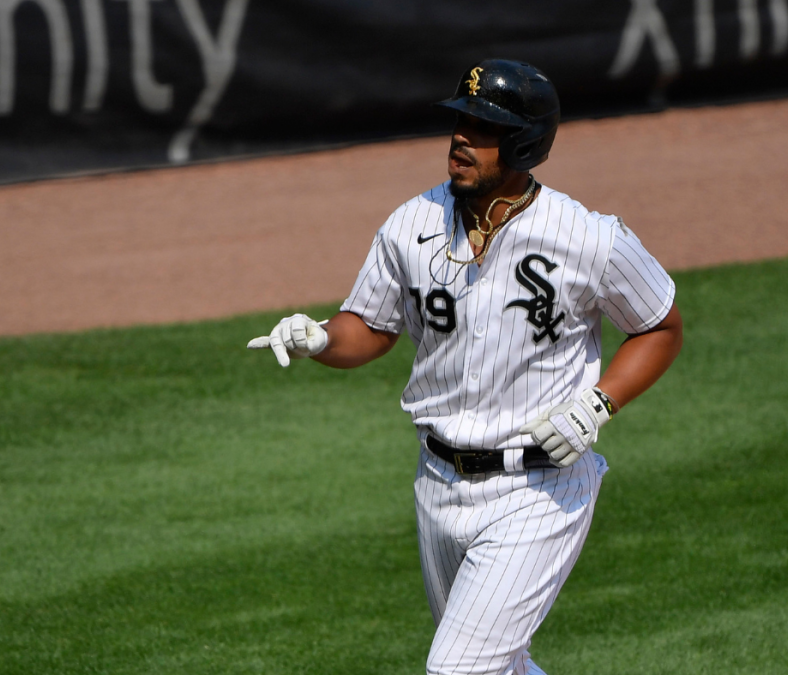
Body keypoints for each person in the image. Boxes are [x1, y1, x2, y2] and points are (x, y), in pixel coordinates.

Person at [248, 59, 682, 675]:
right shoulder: (411, 225)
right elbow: (370, 326)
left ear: (524, 143)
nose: (460, 138)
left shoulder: (589, 238)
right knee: (497, 666)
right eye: (460, 121)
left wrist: (597, 403)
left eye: (482, 127)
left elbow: (659, 326)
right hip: (438, 482)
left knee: (459, 670)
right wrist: (320, 336)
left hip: (539, 489)